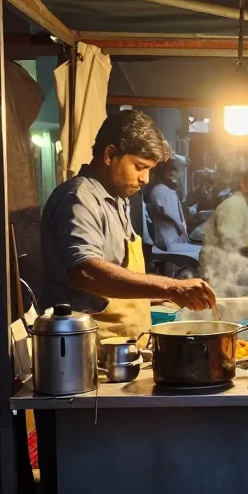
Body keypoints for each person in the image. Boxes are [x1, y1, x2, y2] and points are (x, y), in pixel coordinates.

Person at [41, 110, 215, 341]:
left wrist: (159, 296)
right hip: (91, 351)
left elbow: (116, 277)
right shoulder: (80, 198)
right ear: (109, 154)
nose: (145, 178)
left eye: (149, 170)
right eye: (139, 166)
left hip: (128, 346)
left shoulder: (119, 199)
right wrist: (170, 287)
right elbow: (85, 272)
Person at [200, 164, 248, 292]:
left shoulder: (247, 207)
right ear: (242, 183)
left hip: (236, 274)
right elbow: (233, 245)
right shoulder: (233, 206)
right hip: (220, 276)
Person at [147, 161, 188, 250]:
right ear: (166, 173)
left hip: (162, 240)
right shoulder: (163, 191)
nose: (175, 181)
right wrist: (183, 231)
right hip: (172, 240)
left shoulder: (155, 190)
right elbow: (173, 216)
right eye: (173, 177)